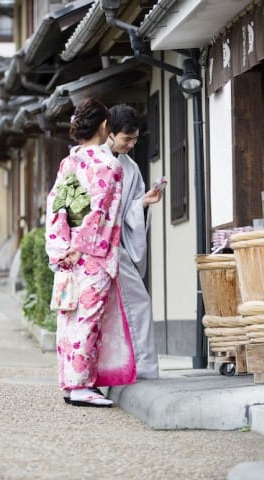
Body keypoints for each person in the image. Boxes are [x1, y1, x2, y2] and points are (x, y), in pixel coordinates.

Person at [45, 98, 136, 408]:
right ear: (104, 126)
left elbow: (57, 206)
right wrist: (82, 247)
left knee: (68, 318)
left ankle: (71, 383)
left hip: (68, 254)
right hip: (93, 256)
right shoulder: (109, 165)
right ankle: (82, 385)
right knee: (89, 319)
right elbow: (101, 214)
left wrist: (61, 248)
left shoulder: (69, 162)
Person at [106, 104, 162, 380]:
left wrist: (143, 202)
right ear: (109, 132)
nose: (131, 144)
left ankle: (138, 368)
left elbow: (128, 210)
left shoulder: (131, 167)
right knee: (126, 305)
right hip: (97, 246)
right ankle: (130, 368)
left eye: (135, 139)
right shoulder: (91, 160)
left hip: (115, 245)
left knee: (134, 303)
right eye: (126, 138)